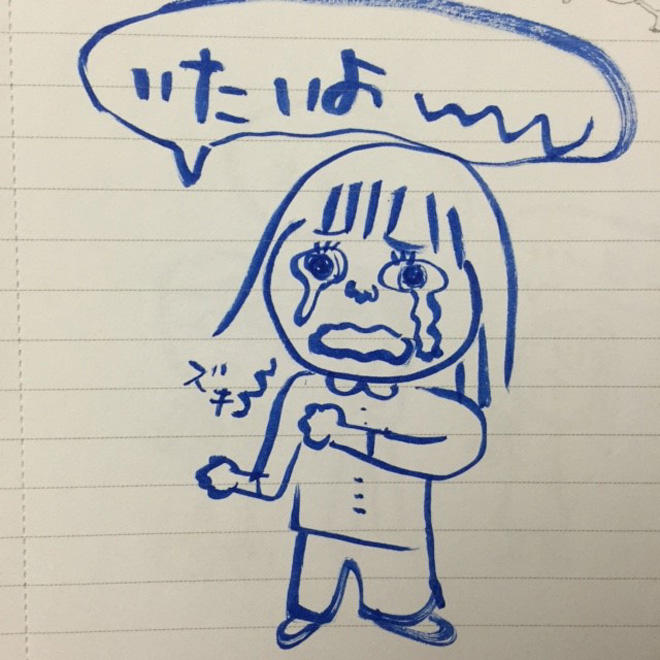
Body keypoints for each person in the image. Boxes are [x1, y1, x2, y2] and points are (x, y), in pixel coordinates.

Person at [196, 142, 517, 649]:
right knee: (311, 596)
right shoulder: (302, 393)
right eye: (322, 266)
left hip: (398, 537)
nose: (362, 294)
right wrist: (238, 480)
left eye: (412, 275)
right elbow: (275, 474)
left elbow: (457, 452)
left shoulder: (432, 406)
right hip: (319, 530)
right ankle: (308, 614)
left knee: (402, 597)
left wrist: (352, 436)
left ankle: (404, 614)